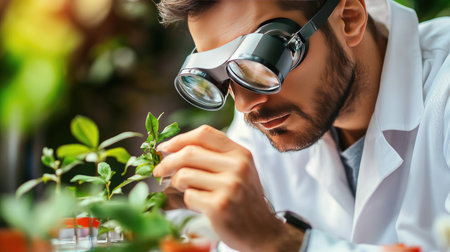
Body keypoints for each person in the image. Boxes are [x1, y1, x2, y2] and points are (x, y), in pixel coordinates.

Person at [152, 0, 450, 251]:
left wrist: (279, 240)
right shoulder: (271, 119)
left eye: (262, 60)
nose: (245, 105)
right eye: (222, 76)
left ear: (349, 18)